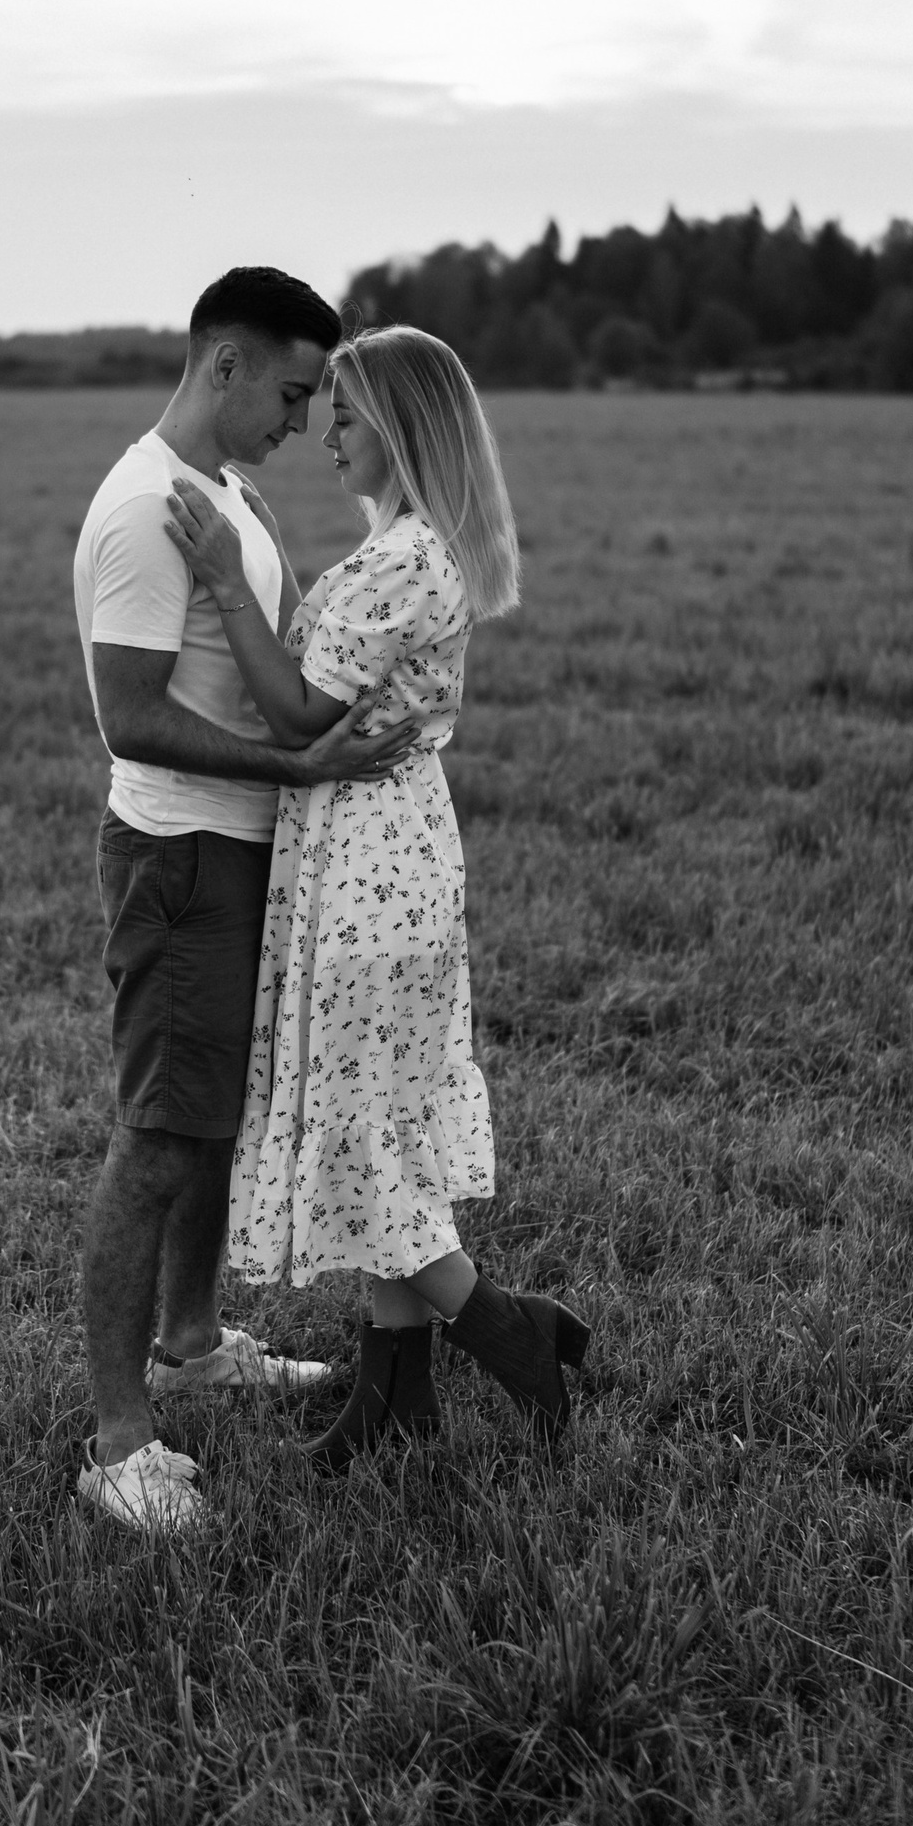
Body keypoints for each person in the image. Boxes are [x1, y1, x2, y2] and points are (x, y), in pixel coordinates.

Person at [163, 323, 589, 1471]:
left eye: (345, 415)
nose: (326, 433)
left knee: (362, 1134)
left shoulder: (408, 560)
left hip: (373, 877)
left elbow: (300, 714)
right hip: (370, 860)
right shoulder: (399, 547)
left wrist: (225, 581)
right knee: (375, 1124)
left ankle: (511, 1332)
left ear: (400, 426)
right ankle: (396, 1401)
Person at [72, 266, 418, 1535]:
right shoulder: (142, 511)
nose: (301, 420)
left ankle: (193, 1344)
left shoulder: (224, 493)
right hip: (182, 860)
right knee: (160, 1138)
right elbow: (131, 716)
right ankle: (120, 1444)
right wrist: (295, 769)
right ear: (225, 364)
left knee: (209, 1123)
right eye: (289, 392)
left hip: (237, 855)